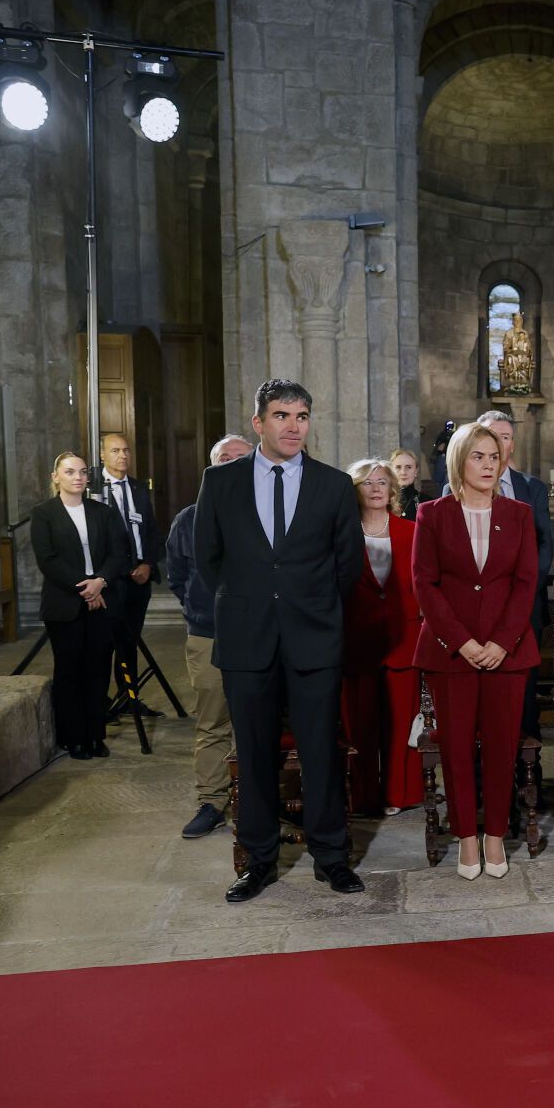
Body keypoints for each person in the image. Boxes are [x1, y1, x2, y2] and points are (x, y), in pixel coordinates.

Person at [196, 379, 367, 903]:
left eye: (301, 416)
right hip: (247, 639)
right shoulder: (220, 482)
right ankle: (258, 861)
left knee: (320, 752)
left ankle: (331, 858)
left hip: (313, 639)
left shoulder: (335, 485)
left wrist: (308, 608)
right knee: (253, 754)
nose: (293, 426)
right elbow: (209, 560)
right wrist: (251, 602)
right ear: (259, 423)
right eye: (281, 415)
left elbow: (348, 567)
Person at [413, 425, 542, 879]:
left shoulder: (520, 513)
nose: (489, 464)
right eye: (478, 457)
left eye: (494, 456)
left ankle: (494, 836)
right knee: (458, 748)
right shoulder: (432, 513)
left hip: (508, 653)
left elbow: (527, 582)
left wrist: (501, 643)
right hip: (451, 652)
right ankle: (467, 837)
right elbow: (424, 584)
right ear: (458, 462)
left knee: (502, 748)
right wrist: (463, 642)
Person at [165, 434, 253, 836]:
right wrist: (201, 609)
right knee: (213, 720)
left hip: (261, 632)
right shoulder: (189, 518)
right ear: (211, 468)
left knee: (260, 719)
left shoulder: (272, 512)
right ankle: (213, 800)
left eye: (241, 458)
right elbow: (178, 577)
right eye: (224, 459)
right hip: (209, 634)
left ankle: (259, 796)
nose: (232, 464)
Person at [30, 451, 130, 760]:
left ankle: (95, 736)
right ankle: (72, 737)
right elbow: (47, 560)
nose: (78, 477)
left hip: (102, 600)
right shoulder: (44, 513)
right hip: (65, 604)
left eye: (83, 472)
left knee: (98, 670)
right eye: (70, 472)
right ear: (55, 477)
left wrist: (100, 581)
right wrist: (86, 588)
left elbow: (118, 553)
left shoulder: (103, 512)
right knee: (69, 671)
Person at [342, 458, 425, 819]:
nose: (376, 488)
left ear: (393, 490)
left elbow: (424, 583)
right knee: (359, 724)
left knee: (400, 722)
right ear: (355, 490)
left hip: (404, 639)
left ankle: (399, 792)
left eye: (382, 482)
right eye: (367, 482)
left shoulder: (412, 530)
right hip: (355, 640)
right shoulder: (341, 532)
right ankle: (361, 796)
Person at [475, 410, 554, 737]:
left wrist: (523, 590)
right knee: (482, 694)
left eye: (505, 436)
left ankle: (526, 775)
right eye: (491, 435)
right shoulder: (456, 491)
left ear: (512, 445)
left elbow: (544, 544)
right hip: (478, 608)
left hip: (524, 606)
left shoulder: (531, 488)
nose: (498, 442)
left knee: (524, 688)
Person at [94, 432, 164, 716]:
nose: (122, 456)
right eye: (115, 451)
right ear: (102, 456)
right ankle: (101, 704)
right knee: (107, 641)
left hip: (140, 578)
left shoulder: (138, 488)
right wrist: (121, 570)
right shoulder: (94, 491)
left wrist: (147, 563)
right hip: (112, 581)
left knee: (130, 641)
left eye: (126, 451)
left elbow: (150, 531)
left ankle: (129, 697)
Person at [388, 446, 434, 519]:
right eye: (398, 467)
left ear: (416, 471)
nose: (403, 472)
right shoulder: (383, 502)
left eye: (408, 467)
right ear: (391, 471)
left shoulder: (428, 503)